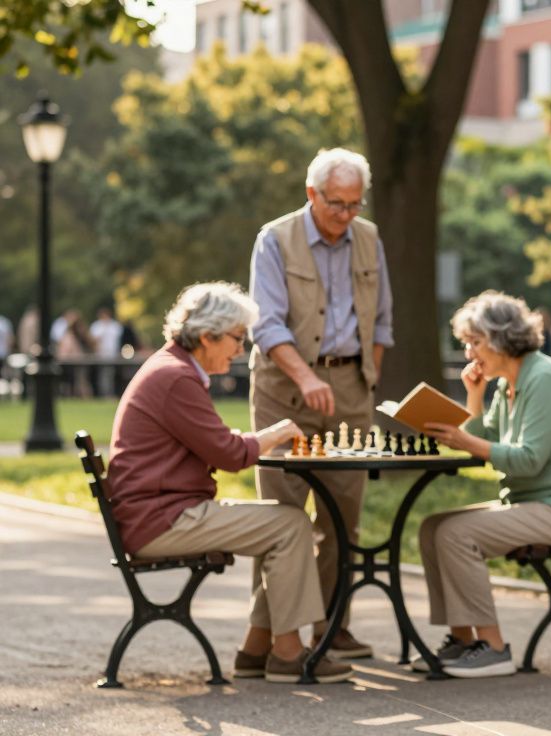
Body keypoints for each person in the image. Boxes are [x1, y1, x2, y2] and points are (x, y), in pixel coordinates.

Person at [107, 282, 351, 683]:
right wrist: (276, 433)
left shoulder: (171, 369)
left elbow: (213, 442)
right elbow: (230, 455)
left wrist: (250, 440)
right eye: (237, 339)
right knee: (290, 525)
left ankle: (258, 647)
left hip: (156, 513)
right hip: (162, 520)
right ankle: (288, 654)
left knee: (284, 522)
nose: (240, 350)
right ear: (207, 336)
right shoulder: (176, 378)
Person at [248, 147, 394, 660]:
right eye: (336, 204)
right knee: (280, 519)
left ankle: (332, 628)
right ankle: (268, 637)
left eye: (355, 205)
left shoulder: (369, 237)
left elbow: (381, 322)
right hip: (283, 391)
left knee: (341, 517)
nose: (346, 216)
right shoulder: (275, 239)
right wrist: (308, 377)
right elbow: (265, 324)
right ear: (311, 194)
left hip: (349, 390)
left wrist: (363, 379)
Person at [412, 291, 551, 678]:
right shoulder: (506, 385)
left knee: (456, 533)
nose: (469, 354)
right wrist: (474, 396)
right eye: (466, 344)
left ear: (501, 338)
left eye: (475, 343)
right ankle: (464, 641)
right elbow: (485, 437)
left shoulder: (544, 378)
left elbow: (528, 459)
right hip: (534, 504)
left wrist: (467, 441)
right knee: (433, 528)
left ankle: (494, 648)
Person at [90, 306, 125, 396]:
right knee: (103, 375)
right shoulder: (96, 326)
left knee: (111, 375)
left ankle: (109, 393)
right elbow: (93, 341)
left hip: (113, 355)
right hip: (101, 355)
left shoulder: (115, 326)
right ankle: (104, 394)